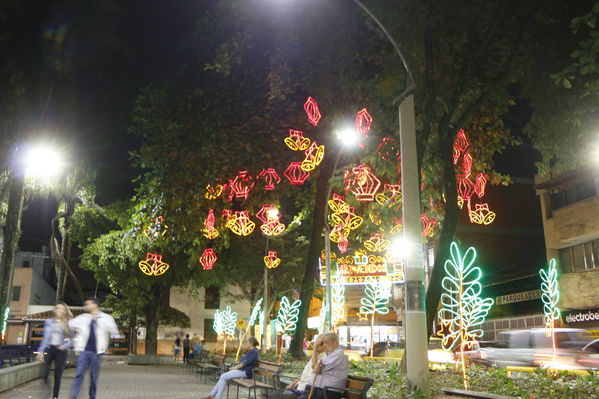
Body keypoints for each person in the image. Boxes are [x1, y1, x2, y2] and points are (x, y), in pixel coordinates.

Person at [68, 297, 119, 399]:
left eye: (88, 304)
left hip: (97, 353)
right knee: (79, 375)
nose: (85, 306)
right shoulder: (83, 317)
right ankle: (73, 397)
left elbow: (115, 332)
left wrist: (105, 328)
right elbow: (69, 325)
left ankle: (92, 397)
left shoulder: (107, 318)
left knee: (94, 378)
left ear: (95, 305)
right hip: (83, 351)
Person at [37, 302, 73, 399]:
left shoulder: (68, 323)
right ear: (55, 310)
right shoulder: (49, 322)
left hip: (61, 351)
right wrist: (41, 351)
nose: (60, 311)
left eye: (62, 309)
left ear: (65, 311)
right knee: (44, 374)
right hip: (49, 348)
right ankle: (48, 390)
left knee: (58, 374)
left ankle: (55, 396)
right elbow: (45, 338)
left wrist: (65, 345)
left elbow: (72, 338)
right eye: (58, 308)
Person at [298, 332, 348, 399]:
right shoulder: (330, 355)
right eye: (323, 343)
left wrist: (315, 347)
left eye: (326, 342)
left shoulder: (338, 354)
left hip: (327, 392)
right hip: (317, 391)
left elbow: (315, 368)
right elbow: (315, 367)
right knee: (287, 394)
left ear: (336, 343)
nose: (324, 345)